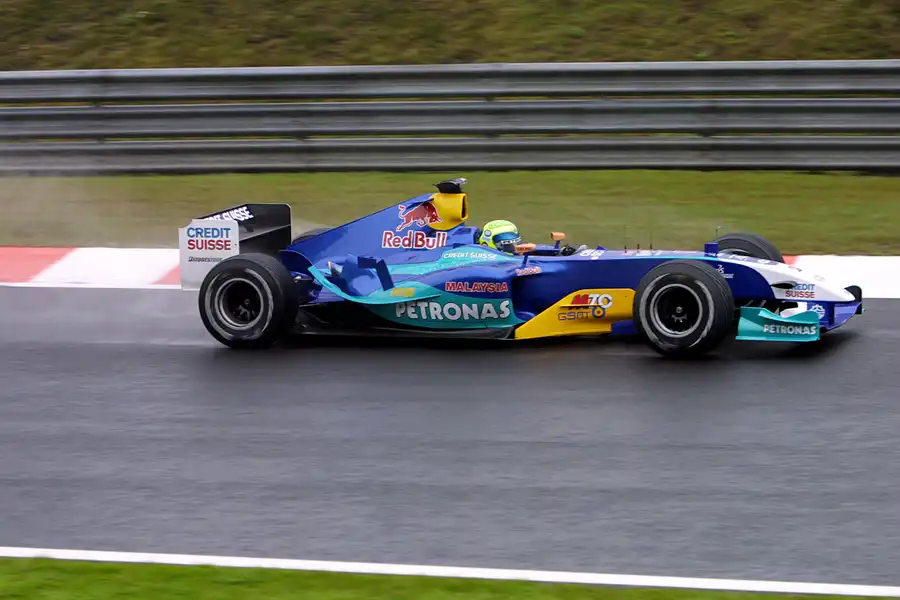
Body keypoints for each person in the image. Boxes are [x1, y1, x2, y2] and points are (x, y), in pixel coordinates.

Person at [477, 219, 584, 256]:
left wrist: (559, 252)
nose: (515, 248)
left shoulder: (520, 252)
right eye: (507, 245)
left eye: (516, 242)